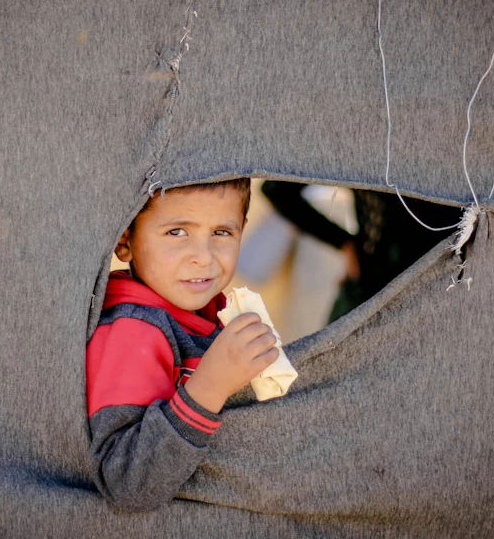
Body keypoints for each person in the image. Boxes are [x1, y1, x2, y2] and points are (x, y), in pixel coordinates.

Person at [86, 178, 279, 511]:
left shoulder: (212, 313)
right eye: (177, 232)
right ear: (124, 239)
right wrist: (209, 387)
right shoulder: (133, 332)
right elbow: (127, 484)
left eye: (222, 232)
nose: (203, 258)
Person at [260, 181, 458, 323]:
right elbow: (277, 190)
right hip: (370, 286)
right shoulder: (362, 134)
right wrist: (345, 243)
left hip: (446, 291)